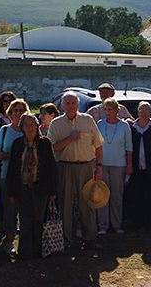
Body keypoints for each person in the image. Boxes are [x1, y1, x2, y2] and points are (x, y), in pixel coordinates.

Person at [47, 91, 105, 250]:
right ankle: (67, 239)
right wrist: (70, 139)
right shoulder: (56, 124)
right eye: (67, 103)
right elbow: (51, 149)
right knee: (65, 204)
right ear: (62, 105)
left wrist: (99, 167)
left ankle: (90, 238)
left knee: (87, 202)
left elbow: (98, 145)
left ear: (78, 105)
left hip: (86, 167)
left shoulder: (88, 120)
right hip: (65, 167)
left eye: (73, 103)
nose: (71, 106)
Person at [6, 113, 58, 260]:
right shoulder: (17, 144)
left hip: (41, 187)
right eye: (26, 125)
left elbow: (52, 168)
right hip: (22, 188)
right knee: (25, 220)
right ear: (22, 127)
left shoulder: (45, 143)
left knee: (38, 219)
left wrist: (53, 191)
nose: (30, 128)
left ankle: (38, 251)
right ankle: (25, 252)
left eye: (32, 125)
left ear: (37, 126)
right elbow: (12, 169)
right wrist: (11, 192)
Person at [0, 98, 30, 255]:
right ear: (10, 112)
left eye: (21, 110)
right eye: (15, 110)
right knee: (9, 209)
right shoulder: (4, 130)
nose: (18, 113)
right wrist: (14, 155)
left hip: (26, 177)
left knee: (26, 209)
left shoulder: (29, 131)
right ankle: (8, 239)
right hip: (7, 175)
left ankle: (25, 240)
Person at [96, 98, 133, 234]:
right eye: (105, 109)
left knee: (117, 196)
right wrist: (96, 164)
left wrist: (129, 164)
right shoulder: (99, 124)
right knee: (103, 195)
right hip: (102, 164)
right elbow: (96, 145)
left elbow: (129, 147)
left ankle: (116, 224)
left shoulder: (124, 126)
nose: (107, 112)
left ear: (117, 110)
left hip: (119, 165)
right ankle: (103, 225)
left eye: (110, 109)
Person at [127, 101, 151, 228]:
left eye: (146, 110)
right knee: (136, 193)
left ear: (150, 112)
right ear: (137, 112)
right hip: (136, 167)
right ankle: (137, 220)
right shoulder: (132, 127)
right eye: (141, 110)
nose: (143, 112)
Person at [0, 91, 17, 225]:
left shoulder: (19, 121)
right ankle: (1, 220)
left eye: (9, 101)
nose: (7, 104)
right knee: (2, 192)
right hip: (1, 162)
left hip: (18, 164)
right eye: (4, 101)